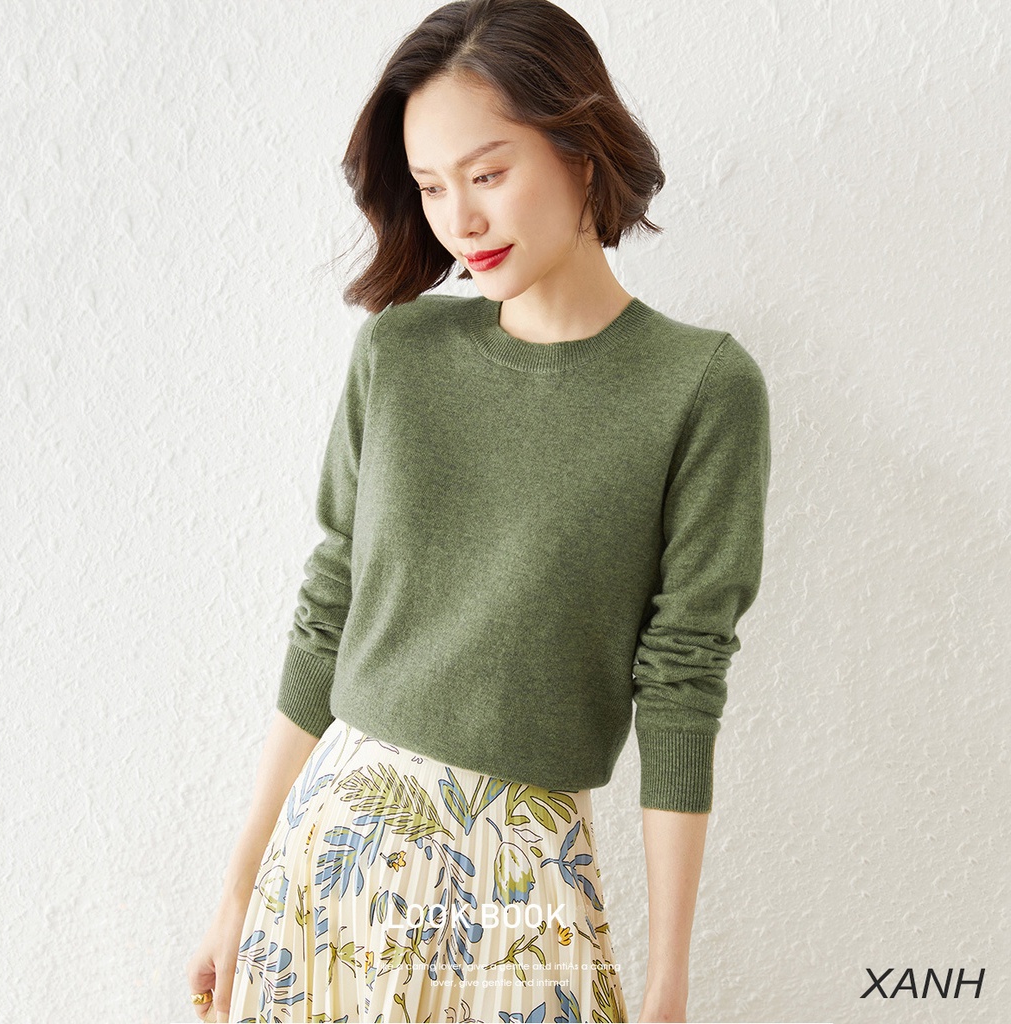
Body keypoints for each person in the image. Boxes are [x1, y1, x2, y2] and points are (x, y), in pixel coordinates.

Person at [185, 0, 771, 1021]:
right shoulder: (399, 354)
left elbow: (684, 675)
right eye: (430, 186)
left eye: (487, 174)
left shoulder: (700, 387)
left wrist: (670, 978)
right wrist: (237, 887)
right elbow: (328, 611)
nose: (458, 219)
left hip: (522, 878)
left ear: (581, 150)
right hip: (332, 859)